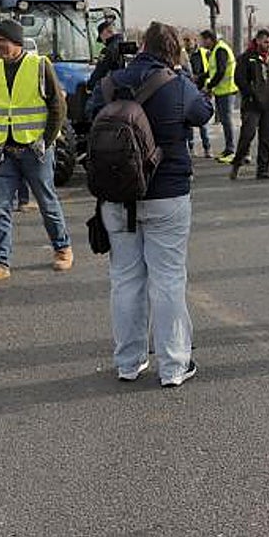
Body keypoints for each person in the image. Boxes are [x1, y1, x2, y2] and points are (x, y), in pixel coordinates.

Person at [87, 21, 214, 388]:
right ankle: (174, 366)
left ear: (140, 45)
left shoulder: (111, 83)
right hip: (167, 194)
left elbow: (88, 109)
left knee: (125, 279)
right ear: (173, 52)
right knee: (168, 279)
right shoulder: (176, 84)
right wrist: (184, 75)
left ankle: (128, 362)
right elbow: (203, 113)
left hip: (117, 196)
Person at [0, 19, 72, 286]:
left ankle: (62, 248)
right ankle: (0, 263)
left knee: (47, 203)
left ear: (16, 42)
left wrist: (47, 140)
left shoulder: (39, 65)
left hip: (34, 150)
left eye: (2, 41)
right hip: (4, 151)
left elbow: (57, 106)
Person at [230, 28, 269, 180]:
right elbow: (239, 79)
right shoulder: (246, 58)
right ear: (258, 41)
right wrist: (251, 94)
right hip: (252, 105)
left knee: (267, 137)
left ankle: (263, 169)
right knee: (248, 134)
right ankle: (237, 164)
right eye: (266, 42)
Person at [199, 29, 238, 163]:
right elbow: (211, 71)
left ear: (209, 39)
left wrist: (209, 86)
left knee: (227, 121)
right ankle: (228, 150)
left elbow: (220, 72)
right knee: (224, 121)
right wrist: (199, 78)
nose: (202, 43)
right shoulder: (216, 50)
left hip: (227, 91)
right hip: (221, 91)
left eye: (203, 40)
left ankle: (231, 151)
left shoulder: (220, 50)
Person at [88, 18, 125, 94]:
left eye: (101, 38)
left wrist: (90, 85)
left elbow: (100, 70)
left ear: (104, 32)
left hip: (108, 89)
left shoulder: (107, 50)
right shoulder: (123, 46)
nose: (103, 42)